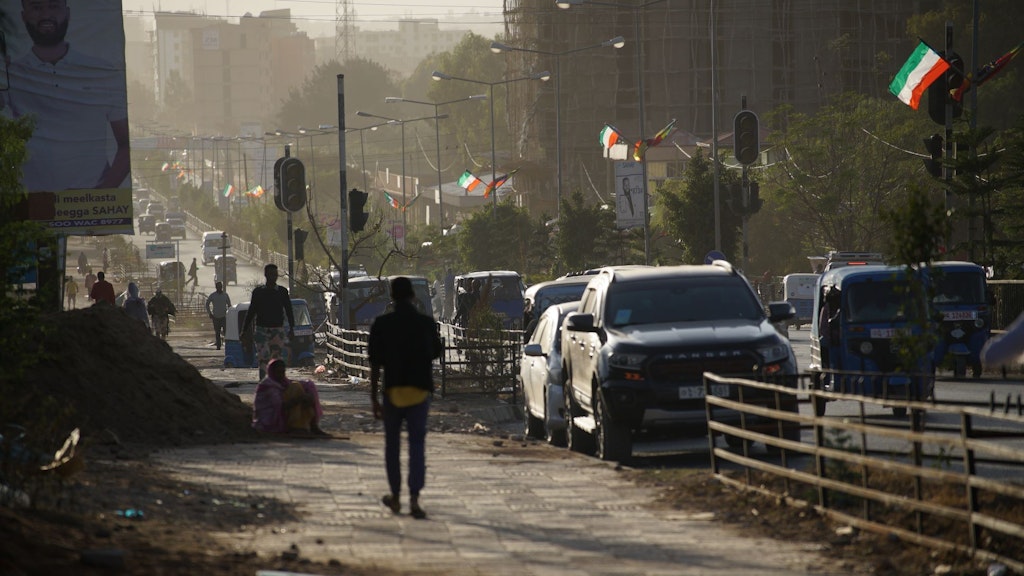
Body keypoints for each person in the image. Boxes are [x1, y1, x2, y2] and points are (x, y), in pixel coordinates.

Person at [2, 0, 130, 192]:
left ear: (67, 13)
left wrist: (100, 195)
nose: (45, 15)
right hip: (30, 207)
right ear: (23, 16)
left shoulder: (100, 72)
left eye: (53, 6)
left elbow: (126, 144)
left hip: (91, 211)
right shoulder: (12, 75)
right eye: (36, 8)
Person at [368, 277, 443, 520]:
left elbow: (375, 365)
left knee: (392, 447)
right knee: (417, 446)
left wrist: (373, 398)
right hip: (419, 392)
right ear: (412, 296)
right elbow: (435, 352)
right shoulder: (425, 323)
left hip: (392, 392)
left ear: (392, 297)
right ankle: (414, 498)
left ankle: (395, 496)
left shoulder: (382, 324)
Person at [241, 264, 295, 381]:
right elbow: (251, 312)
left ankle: (276, 383)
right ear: (265, 275)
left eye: (275, 275)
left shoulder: (282, 292)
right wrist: (244, 330)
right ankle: (264, 383)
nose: (273, 277)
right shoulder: (258, 293)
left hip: (277, 330)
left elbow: (289, 310)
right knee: (263, 358)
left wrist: (292, 328)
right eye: (271, 274)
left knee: (276, 360)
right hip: (261, 330)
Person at [252, 359, 327, 436]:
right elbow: (280, 406)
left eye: (282, 372)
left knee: (306, 386)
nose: (281, 375)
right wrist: (299, 398)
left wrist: (307, 393)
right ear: (272, 372)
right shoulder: (267, 386)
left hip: (280, 415)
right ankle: (296, 427)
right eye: (278, 372)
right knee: (296, 387)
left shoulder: (283, 382)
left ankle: (312, 425)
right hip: (269, 421)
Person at [205, 281, 232, 350]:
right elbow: (207, 304)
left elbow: (229, 305)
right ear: (216, 287)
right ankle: (218, 346)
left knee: (226, 332)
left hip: (224, 316)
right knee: (217, 332)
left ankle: (227, 346)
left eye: (220, 287)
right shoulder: (213, 295)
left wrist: (230, 314)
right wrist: (210, 313)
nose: (219, 288)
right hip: (215, 317)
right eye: (218, 287)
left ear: (221, 287)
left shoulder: (225, 295)